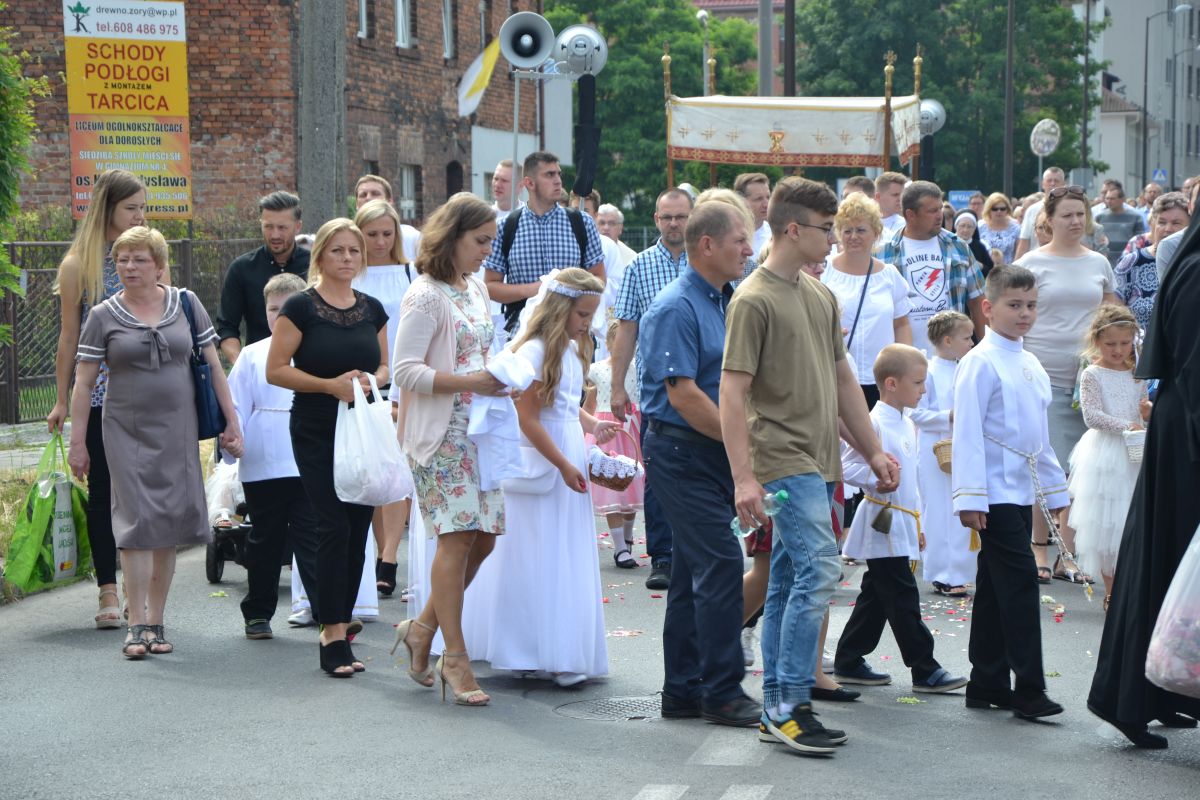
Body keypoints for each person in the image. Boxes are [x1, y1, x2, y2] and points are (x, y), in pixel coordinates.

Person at [722, 177, 899, 754]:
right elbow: (732, 391)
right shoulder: (753, 298)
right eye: (825, 229)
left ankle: (780, 701)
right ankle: (791, 701)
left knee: (791, 579)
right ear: (793, 229)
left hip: (822, 460)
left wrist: (871, 447)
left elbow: (844, 378)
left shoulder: (820, 294)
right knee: (820, 570)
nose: (833, 239)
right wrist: (744, 477)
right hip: (781, 460)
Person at [68, 227, 243, 658]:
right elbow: (83, 382)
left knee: (166, 523)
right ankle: (137, 624)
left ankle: (157, 620)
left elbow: (213, 365)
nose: (129, 266)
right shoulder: (103, 315)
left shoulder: (186, 304)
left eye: (139, 259)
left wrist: (232, 420)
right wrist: (78, 441)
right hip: (124, 430)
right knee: (134, 522)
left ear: (159, 265)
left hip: (177, 428)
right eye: (122, 259)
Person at [641, 201, 761, 727]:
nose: (748, 250)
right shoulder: (676, 306)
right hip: (681, 451)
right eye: (739, 239)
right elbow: (684, 395)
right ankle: (722, 690)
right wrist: (743, 447)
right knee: (720, 564)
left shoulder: (725, 298)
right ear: (707, 244)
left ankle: (684, 689)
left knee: (693, 574)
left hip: (705, 450)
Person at [1087, 204, 1200, 749]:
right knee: (1164, 567)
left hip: (1184, 434)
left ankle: (1157, 695)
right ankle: (1133, 696)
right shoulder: (1199, 270)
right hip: (1189, 439)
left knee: (1171, 568)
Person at [391, 193, 508, 705]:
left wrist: (503, 376)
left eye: (490, 241)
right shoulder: (425, 295)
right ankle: (453, 659)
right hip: (441, 435)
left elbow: (484, 351)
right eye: (480, 241)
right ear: (452, 236)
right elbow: (405, 371)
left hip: (481, 431)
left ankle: (420, 629)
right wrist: (471, 381)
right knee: (457, 539)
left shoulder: (476, 288)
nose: (487, 251)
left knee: (484, 541)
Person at [476, 268, 617, 687]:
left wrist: (591, 426)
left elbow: (566, 403)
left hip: (567, 447)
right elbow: (529, 418)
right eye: (581, 314)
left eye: (591, 315)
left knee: (564, 551)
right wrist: (562, 463)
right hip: (547, 458)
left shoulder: (571, 350)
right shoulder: (537, 351)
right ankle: (535, 648)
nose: (586, 323)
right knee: (539, 551)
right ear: (560, 310)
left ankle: (553, 646)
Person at [266, 218, 390, 678]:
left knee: (358, 528)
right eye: (338, 250)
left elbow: (383, 366)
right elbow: (276, 370)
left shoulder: (372, 308)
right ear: (320, 254)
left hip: (360, 425)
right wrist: (328, 386)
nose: (347, 258)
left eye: (354, 251)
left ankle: (341, 622)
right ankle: (331, 631)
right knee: (332, 524)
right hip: (316, 425)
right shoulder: (300, 307)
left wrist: (368, 380)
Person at [951, 264, 1068, 720]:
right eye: (1014, 305)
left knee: (996, 587)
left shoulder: (1030, 361)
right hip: (993, 493)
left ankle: (987, 681)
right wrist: (970, 497)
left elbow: (1037, 435)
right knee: (1018, 585)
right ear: (988, 308)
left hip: (1022, 490)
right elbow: (967, 434)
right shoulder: (978, 362)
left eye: (1031, 305)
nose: (1024, 314)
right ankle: (1029, 689)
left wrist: (1055, 490)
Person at [833, 344, 969, 694]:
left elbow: (913, 481)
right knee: (901, 594)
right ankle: (925, 667)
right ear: (891, 383)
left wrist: (919, 524)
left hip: (903, 520)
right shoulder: (874, 422)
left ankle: (849, 658)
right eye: (918, 383)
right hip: (883, 520)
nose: (924, 390)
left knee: (878, 594)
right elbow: (845, 465)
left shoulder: (907, 422)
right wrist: (872, 475)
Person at [48, 168, 146, 629]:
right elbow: (68, 339)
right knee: (105, 492)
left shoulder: (146, 256)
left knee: (140, 493)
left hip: (146, 395)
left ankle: (138, 587)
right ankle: (108, 587)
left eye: (143, 208)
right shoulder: (78, 266)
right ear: (108, 209)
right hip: (101, 395)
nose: (139, 216)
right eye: (132, 208)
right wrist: (62, 401)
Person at [1015, 185, 1118, 585]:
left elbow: (1112, 314)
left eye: (1081, 214)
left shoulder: (1098, 263)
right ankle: (1040, 548)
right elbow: (1015, 315)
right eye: (1067, 215)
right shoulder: (1032, 263)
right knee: (1048, 465)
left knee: (1080, 470)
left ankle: (1067, 553)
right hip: (1042, 376)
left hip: (1088, 383)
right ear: (1049, 220)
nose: (1076, 221)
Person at [226, 273, 321, 639]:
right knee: (265, 537)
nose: (280, 316)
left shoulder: (317, 348)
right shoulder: (252, 355)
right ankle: (258, 613)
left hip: (308, 454)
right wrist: (233, 440)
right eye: (272, 309)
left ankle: (326, 610)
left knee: (311, 535)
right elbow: (235, 405)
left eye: (288, 308)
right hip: (265, 457)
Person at [609, 188, 695, 590]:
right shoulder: (639, 267)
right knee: (659, 476)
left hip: (705, 387)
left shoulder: (709, 262)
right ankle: (662, 555)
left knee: (703, 472)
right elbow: (626, 330)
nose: (675, 224)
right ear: (656, 219)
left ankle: (697, 551)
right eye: (667, 217)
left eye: (681, 217)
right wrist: (616, 387)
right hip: (656, 390)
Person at [1067, 305, 1151, 607]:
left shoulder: (1137, 373)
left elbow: (1141, 410)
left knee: (1131, 518)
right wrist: (1124, 425)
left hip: (1135, 451)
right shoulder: (1092, 373)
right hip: (1105, 453)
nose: (1118, 350)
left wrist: (1145, 415)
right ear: (1097, 341)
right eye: (1110, 343)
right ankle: (1112, 591)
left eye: (1124, 343)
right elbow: (1091, 416)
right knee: (1107, 523)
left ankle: (1132, 587)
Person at [352, 198, 415, 596]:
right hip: (360, 382)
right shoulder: (350, 274)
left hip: (403, 380)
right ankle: (378, 551)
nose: (378, 242)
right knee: (372, 472)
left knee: (396, 470)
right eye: (371, 234)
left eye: (386, 234)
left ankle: (390, 555)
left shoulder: (410, 272)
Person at [483, 151, 606, 334]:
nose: (558, 180)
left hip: (571, 331)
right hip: (524, 332)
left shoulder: (582, 223)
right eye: (549, 175)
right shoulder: (506, 226)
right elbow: (491, 287)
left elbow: (599, 278)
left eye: (558, 174)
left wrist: (574, 298)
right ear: (529, 183)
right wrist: (534, 290)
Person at [822, 193, 912, 408]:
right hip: (837, 377)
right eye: (847, 230)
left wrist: (904, 367)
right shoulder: (824, 272)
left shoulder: (889, 275)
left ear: (875, 233)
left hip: (883, 381)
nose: (853, 236)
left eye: (861, 230)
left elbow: (901, 324)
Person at [878, 181, 986, 354]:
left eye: (940, 208)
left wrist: (984, 350)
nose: (939, 216)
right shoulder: (884, 253)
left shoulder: (958, 246)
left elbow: (978, 301)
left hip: (953, 359)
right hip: (904, 361)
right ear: (910, 214)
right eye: (932, 211)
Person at [911, 311, 976, 598]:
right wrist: (949, 416)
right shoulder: (929, 371)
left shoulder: (968, 367)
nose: (972, 342)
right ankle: (942, 572)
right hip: (935, 450)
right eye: (967, 337)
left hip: (962, 447)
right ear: (947, 341)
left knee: (961, 508)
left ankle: (962, 570)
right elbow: (917, 412)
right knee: (938, 510)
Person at [217, 191, 309, 363]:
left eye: (282, 228)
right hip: (259, 367)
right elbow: (227, 328)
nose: (274, 235)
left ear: (298, 226)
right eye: (268, 226)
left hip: (310, 368)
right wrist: (243, 366)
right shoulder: (241, 269)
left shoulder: (316, 266)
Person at [583, 319, 644, 568]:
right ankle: (619, 547)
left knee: (631, 484)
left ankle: (627, 539)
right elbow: (590, 405)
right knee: (611, 487)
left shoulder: (638, 369)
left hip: (633, 431)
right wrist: (585, 435)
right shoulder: (597, 370)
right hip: (607, 431)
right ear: (608, 344)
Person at [1115, 191, 1190, 330]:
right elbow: (1113, 313)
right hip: (1141, 348)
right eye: (1161, 222)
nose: (1168, 229)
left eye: (1176, 223)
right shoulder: (1131, 263)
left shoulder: (1193, 264)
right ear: (1152, 223)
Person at [354, 174, 421, 262]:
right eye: (363, 195)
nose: (368, 198)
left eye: (375, 193)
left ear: (390, 201)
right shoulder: (348, 237)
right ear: (356, 204)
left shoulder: (411, 236)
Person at [1014, 167, 1066, 260]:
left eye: (1056, 181)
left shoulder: (1069, 209)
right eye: (1049, 180)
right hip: (1036, 261)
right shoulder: (1032, 210)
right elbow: (1024, 242)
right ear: (1043, 184)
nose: (1052, 183)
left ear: (1063, 184)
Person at [1154, 177, 1200, 279]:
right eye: (1198, 201)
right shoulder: (1170, 245)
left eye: (1176, 223)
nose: (1168, 229)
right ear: (1190, 207)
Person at [1094, 184, 1147, 266]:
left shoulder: (1135, 217)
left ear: (1122, 199)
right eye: (1107, 198)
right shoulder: (1099, 217)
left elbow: (1140, 241)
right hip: (1105, 262)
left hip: (1128, 262)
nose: (1109, 201)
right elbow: (1095, 240)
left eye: (1112, 199)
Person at [734, 172, 772, 258]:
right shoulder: (730, 235)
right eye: (759, 199)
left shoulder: (775, 235)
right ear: (741, 200)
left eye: (768, 197)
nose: (766, 204)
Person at [978, 192, 1021, 263]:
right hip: (985, 269)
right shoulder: (980, 226)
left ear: (1007, 210)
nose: (999, 211)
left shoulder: (1016, 228)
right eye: (995, 209)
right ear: (988, 210)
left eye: (1002, 209)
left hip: (1008, 269)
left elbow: (1019, 252)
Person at [952, 211, 994, 277]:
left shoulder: (980, 247)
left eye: (969, 227)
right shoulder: (948, 243)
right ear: (956, 226)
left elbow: (991, 270)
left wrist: (981, 266)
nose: (965, 230)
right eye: (962, 226)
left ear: (974, 229)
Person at [874, 171, 908, 238]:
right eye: (895, 195)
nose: (900, 199)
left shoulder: (906, 226)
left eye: (902, 195)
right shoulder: (866, 223)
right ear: (878, 196)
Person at [489, 159, 522, 224]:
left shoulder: (528, 217)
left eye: (504, 180)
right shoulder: (484, 217)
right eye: (496, 179)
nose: (497, 185)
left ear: (520, 186)